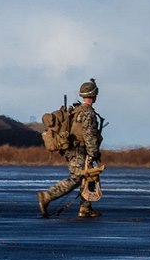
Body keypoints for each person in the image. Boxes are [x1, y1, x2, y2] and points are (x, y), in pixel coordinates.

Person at [37, 79, 104, 218]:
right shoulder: (87, 113)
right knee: (78, 177)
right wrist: (93, 153)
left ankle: (85, 208)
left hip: (74, 149)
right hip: (77, 150)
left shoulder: (77, 109)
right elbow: (89, 135)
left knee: (87, 177)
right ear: (94, 95)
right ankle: (48, 195)